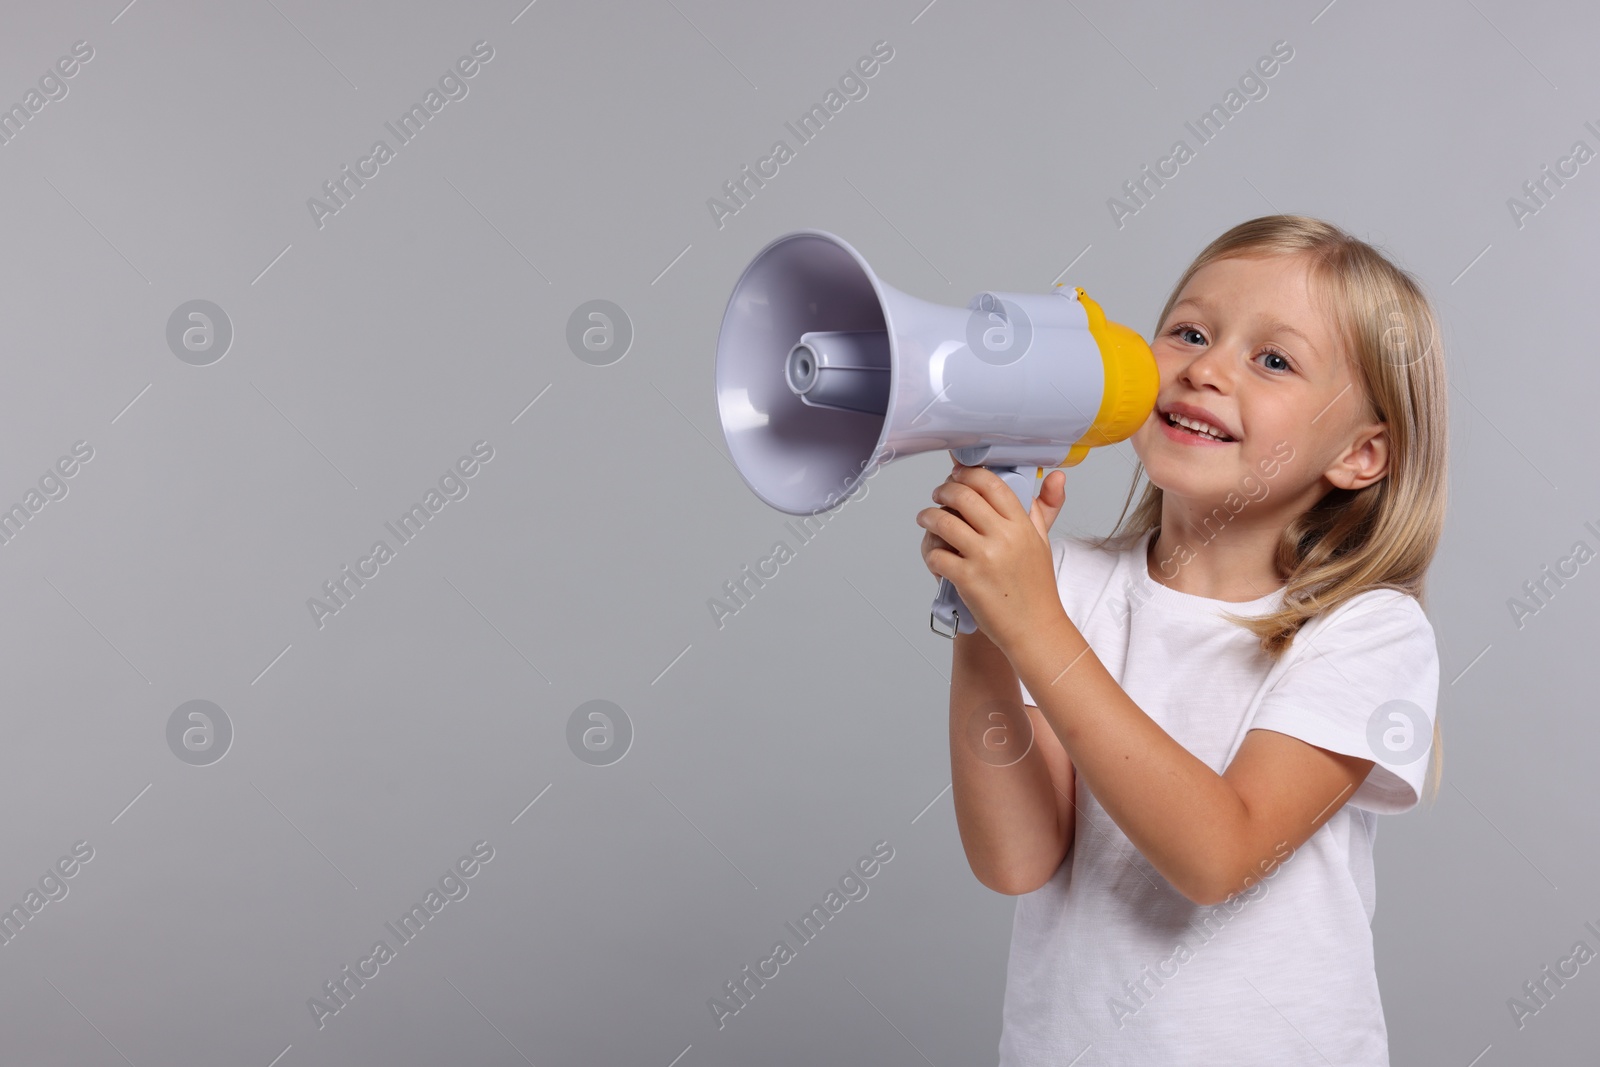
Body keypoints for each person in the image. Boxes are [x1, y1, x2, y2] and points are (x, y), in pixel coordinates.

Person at [917, 214, 1447, 1065]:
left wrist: (1034, 622)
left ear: (1361, 453)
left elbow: (1220, 854)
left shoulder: (1368, 630)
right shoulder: (1070, 585)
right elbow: (1017, 857)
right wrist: (983, 618)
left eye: (1273, 359)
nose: (1204, 368)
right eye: (1190, 332)